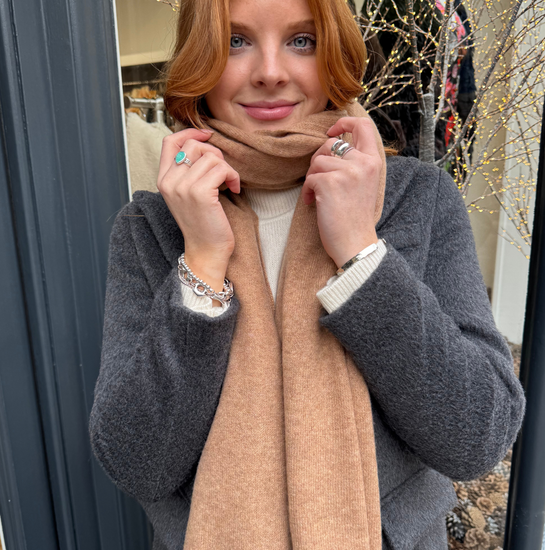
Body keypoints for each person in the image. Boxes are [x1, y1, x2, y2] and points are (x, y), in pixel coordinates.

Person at [89, 0, 526, 548]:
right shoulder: (151, 229)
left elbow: (477, 436)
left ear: (333, 54)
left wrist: (362, 255)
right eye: (235, 41)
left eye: (302, 40)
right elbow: (137, 464)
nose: (270, 71)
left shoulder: (417, 198)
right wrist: (201, 260)